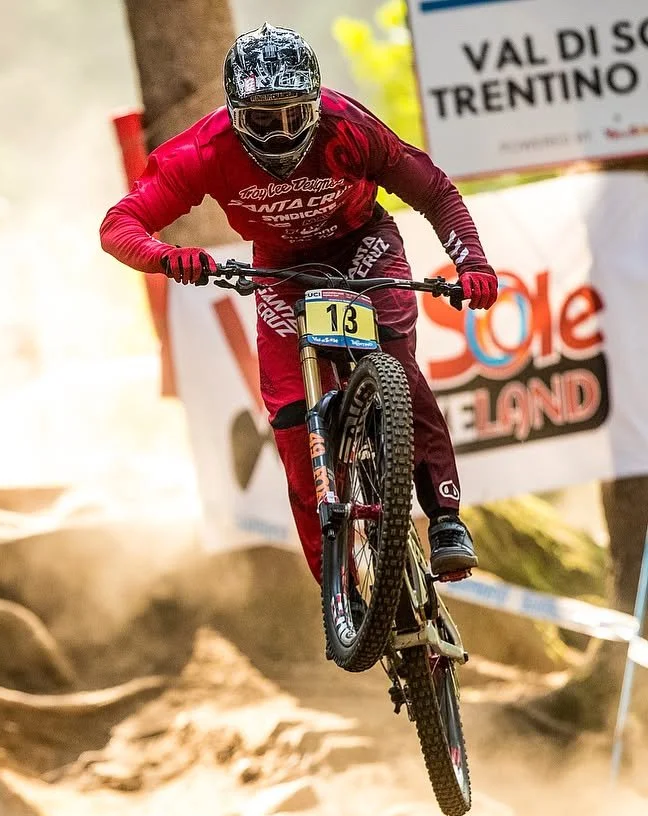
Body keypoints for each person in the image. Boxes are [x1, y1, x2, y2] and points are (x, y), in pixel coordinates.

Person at [100, 23, 498, 582]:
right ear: (235, 112)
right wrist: (168, 257)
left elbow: (433, 190)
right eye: (263, 119)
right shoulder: (205, 149)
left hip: (363, 248)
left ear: (316, 102)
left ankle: (445, 520)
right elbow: (121, 225)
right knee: (290, 421)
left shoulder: (350, 128)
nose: (281, 133)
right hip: (283, 272)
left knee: (398, 368)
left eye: (293, 114)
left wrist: (472, 263)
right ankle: (336, 584)